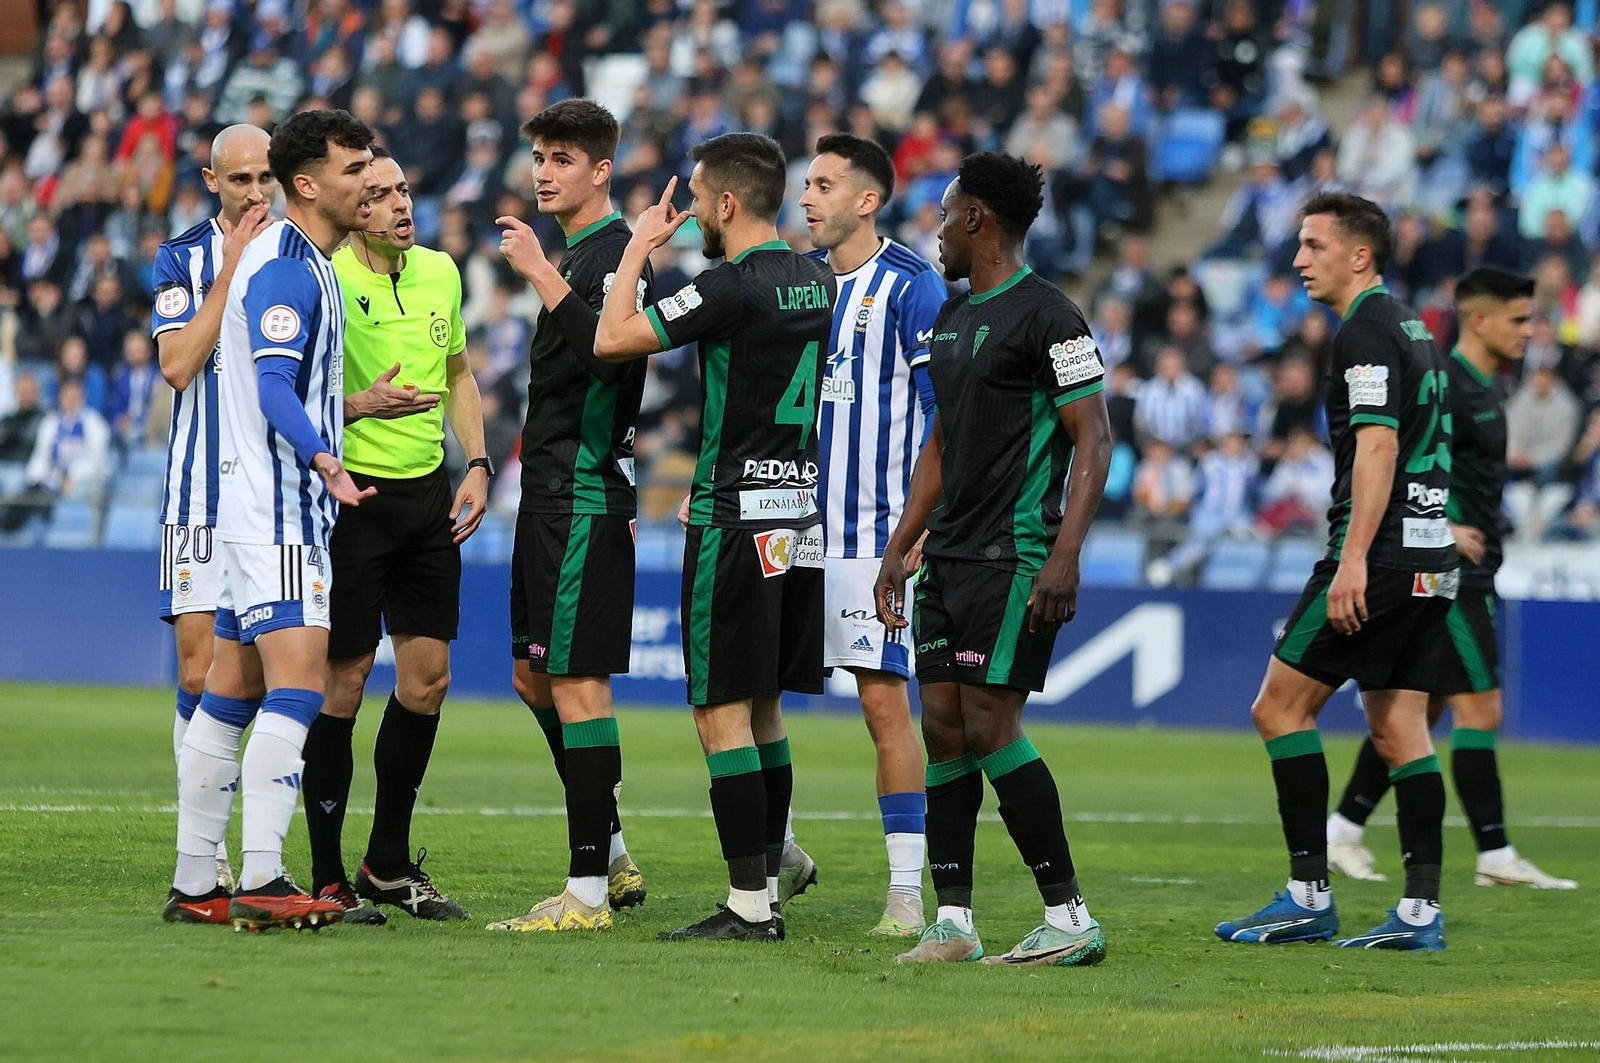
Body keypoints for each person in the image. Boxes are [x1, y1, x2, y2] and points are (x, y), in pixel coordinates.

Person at [594, 132, 834, 942]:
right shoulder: (816, 277)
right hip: (798, 516)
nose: (690, 210)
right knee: (764, 705)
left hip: (734, 517)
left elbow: (612, 337)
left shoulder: (728, 285)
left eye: (696, 197)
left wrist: (636, 247)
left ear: (727, 204)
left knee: (719, 711)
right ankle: (770, 871)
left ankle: (749, 905)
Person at [875, 152, 1113, 967]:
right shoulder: (950, 318)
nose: (936, 230)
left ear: (976, 218)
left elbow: (1095, 436)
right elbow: (941, 444)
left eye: (944, 215)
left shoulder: (1052, 316)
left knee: (989, 722)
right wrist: (903, 543)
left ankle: (1070, 915)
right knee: (943, 730)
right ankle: (955, 921)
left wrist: (1066, 553)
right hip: (948, 557)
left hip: (1016, 555)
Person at [1215, 192, 1458, 952]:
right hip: (1430, 551)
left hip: (1378, 553)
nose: (1298, 259)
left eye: (1314, 244)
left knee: (1278, 708)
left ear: (1360, 254)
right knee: (1399, 725)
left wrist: (1352, 559)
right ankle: (1419, 912)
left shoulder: (1362, 332)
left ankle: (1308, 894)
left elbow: (1378, 447)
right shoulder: (1416, 328)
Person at [167, 109, 382, 931]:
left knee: (229, 695)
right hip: (282, 513)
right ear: (309, 183)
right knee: (300, 689)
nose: (367, 178)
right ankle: (262, 872)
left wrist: (345, 412)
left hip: (245, 508)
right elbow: (273, 387)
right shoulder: (293, 267)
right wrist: (327, 458)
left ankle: (196, 882)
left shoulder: (291, 259)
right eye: (354, 167)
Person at [1327, 269, 1577, 891]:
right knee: (1481, 709)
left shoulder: (1491, 387)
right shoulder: (1449, 385)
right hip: (1451, 573)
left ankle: (1344, 828)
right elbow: (1410, 462)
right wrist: (1443, 528)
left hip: (1477, 569)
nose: (1530, 331)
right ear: (1481, 319)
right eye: (1519, 320)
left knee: (1423, 708)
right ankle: (1494, 854)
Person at [299, 145, 488, 925]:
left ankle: (386, 862)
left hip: (429, 501)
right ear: (354, 210)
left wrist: (476, 461)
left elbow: (459, 374)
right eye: (378, 193)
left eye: (405, 188)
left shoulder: (442, 271)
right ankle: (325, 876)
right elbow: (285, 392)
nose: (401, 203)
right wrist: (358, 407)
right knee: (343, 683)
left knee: (427, 679)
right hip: (353, 502)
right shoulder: (327, 280)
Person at [483, 99, 652, 933]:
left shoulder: (622, 256)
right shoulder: (579, 252)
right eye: (540, 157)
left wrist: (542, 277)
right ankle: (611, 847)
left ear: (600, 170)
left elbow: (612, 356)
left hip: (586, 494)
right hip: (545, 491)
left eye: (561, 158)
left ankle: (586, 892)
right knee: (533, 676)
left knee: (581, 684)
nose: (544, 171)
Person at [785, 132, 946, 937]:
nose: (806, 197)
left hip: (873, 535)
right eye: (805, 184)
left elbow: (946, 418)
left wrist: (918, 531)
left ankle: (906, 891)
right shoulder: (804, 285)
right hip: (794, 527)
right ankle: (774, 853)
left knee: (883, 707)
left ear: (866, 199)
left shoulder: (914, 287)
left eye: (821, 185)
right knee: (742, 689)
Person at [152, 124, 276, 902]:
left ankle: (257, 848)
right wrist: (228, 271)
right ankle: (205, 852)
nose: (257, 193)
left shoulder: (299, 255)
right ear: (210, 180)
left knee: (262, 676)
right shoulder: (182, 258)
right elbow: (176, 364)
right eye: (241, 181)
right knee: (200, 672)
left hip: (269, 495)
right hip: (198, 496)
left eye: (267, 177)